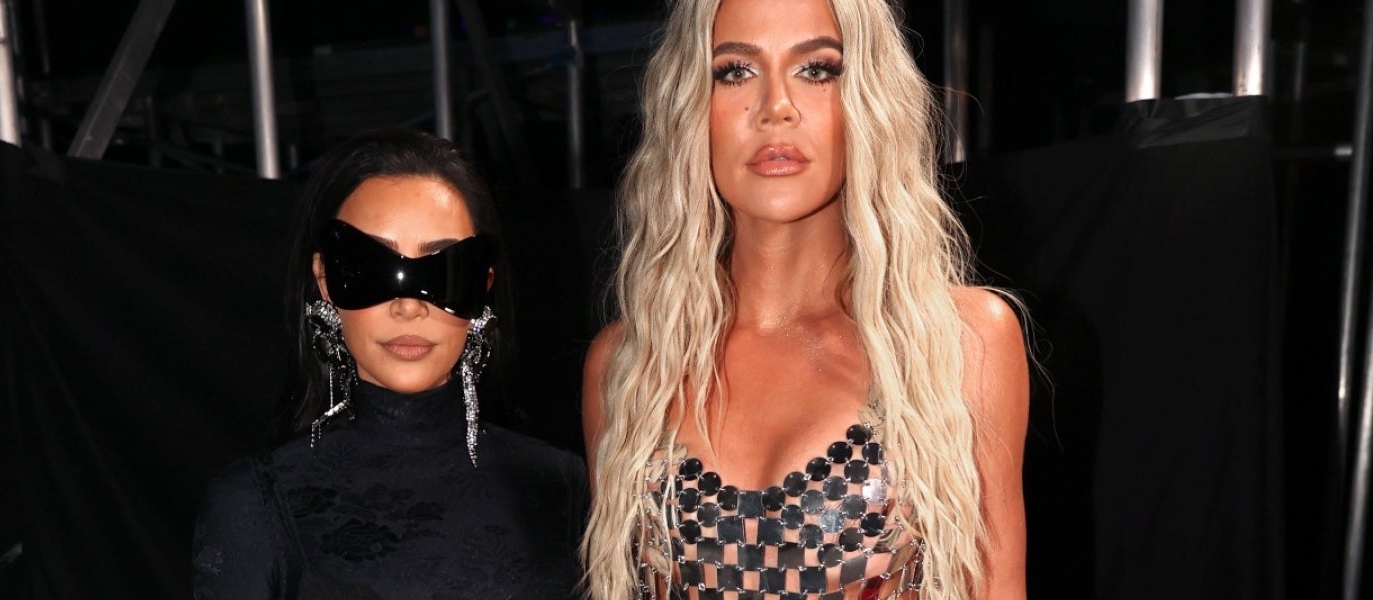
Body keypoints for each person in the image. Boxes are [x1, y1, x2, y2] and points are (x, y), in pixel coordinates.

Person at [579, 1, 1028, 599]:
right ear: (689, 107)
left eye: (817, 69)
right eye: (735, 71)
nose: (777, 107)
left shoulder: (963, 342)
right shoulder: (630, 365)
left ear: (868, 97)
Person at [193, 129, 587, 599]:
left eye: (441, 271)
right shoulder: (255, 503)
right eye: (372, 269)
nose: (408, 306)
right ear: (325, 280)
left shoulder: (565, 487)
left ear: (483, 284)